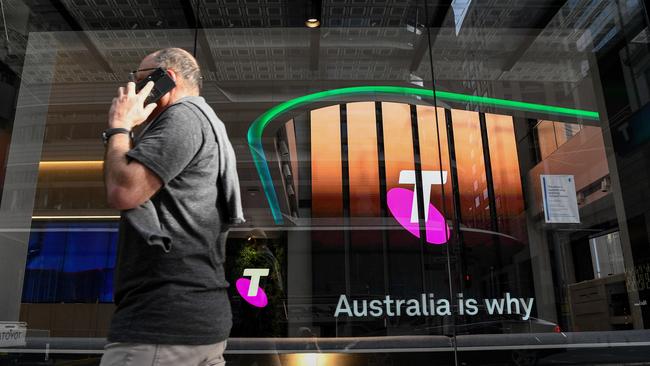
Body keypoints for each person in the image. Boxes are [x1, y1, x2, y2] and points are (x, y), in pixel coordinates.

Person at [100, 48, 244, 366]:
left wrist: (120, 127)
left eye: (138, 79)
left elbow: (124, 190)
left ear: (166, 79)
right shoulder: (205, 122)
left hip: (161, 328)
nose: (133, 89)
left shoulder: (183, 118)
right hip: (196, 324)